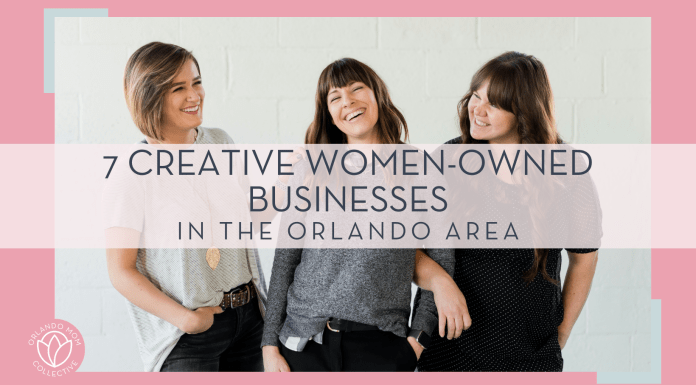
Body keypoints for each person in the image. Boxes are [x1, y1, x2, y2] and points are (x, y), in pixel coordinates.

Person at [261, 58, 454, 372]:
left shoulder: (420, 169)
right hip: (302, 346)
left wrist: (416, 341)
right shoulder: (310, 168)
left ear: (377, 94)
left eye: (356, 89)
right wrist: (269, 347)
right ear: (329, 115)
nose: (347, 101)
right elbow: (285, 260)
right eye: (335, 97)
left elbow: (442, 258)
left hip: (380, 348)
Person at [413, 51, 601, 372]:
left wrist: (562, 333)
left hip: (532, 357)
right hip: (450, 351)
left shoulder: (567, 169)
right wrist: (441, 283)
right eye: (476, 95)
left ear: (525, 112)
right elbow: (404, 245)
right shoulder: (448, 159)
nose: (478, 110)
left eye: (495, 104)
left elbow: (584, 256)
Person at [104, 42, 270, 372]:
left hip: (249, 319)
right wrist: (187, 320)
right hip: (188, 335)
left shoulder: (221, 142)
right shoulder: (132, 172)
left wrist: (286, 188)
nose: (194, 95)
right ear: (150, 97)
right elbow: (120, 271)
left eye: (196, 82)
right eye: (179, 88)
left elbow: (245, 220)